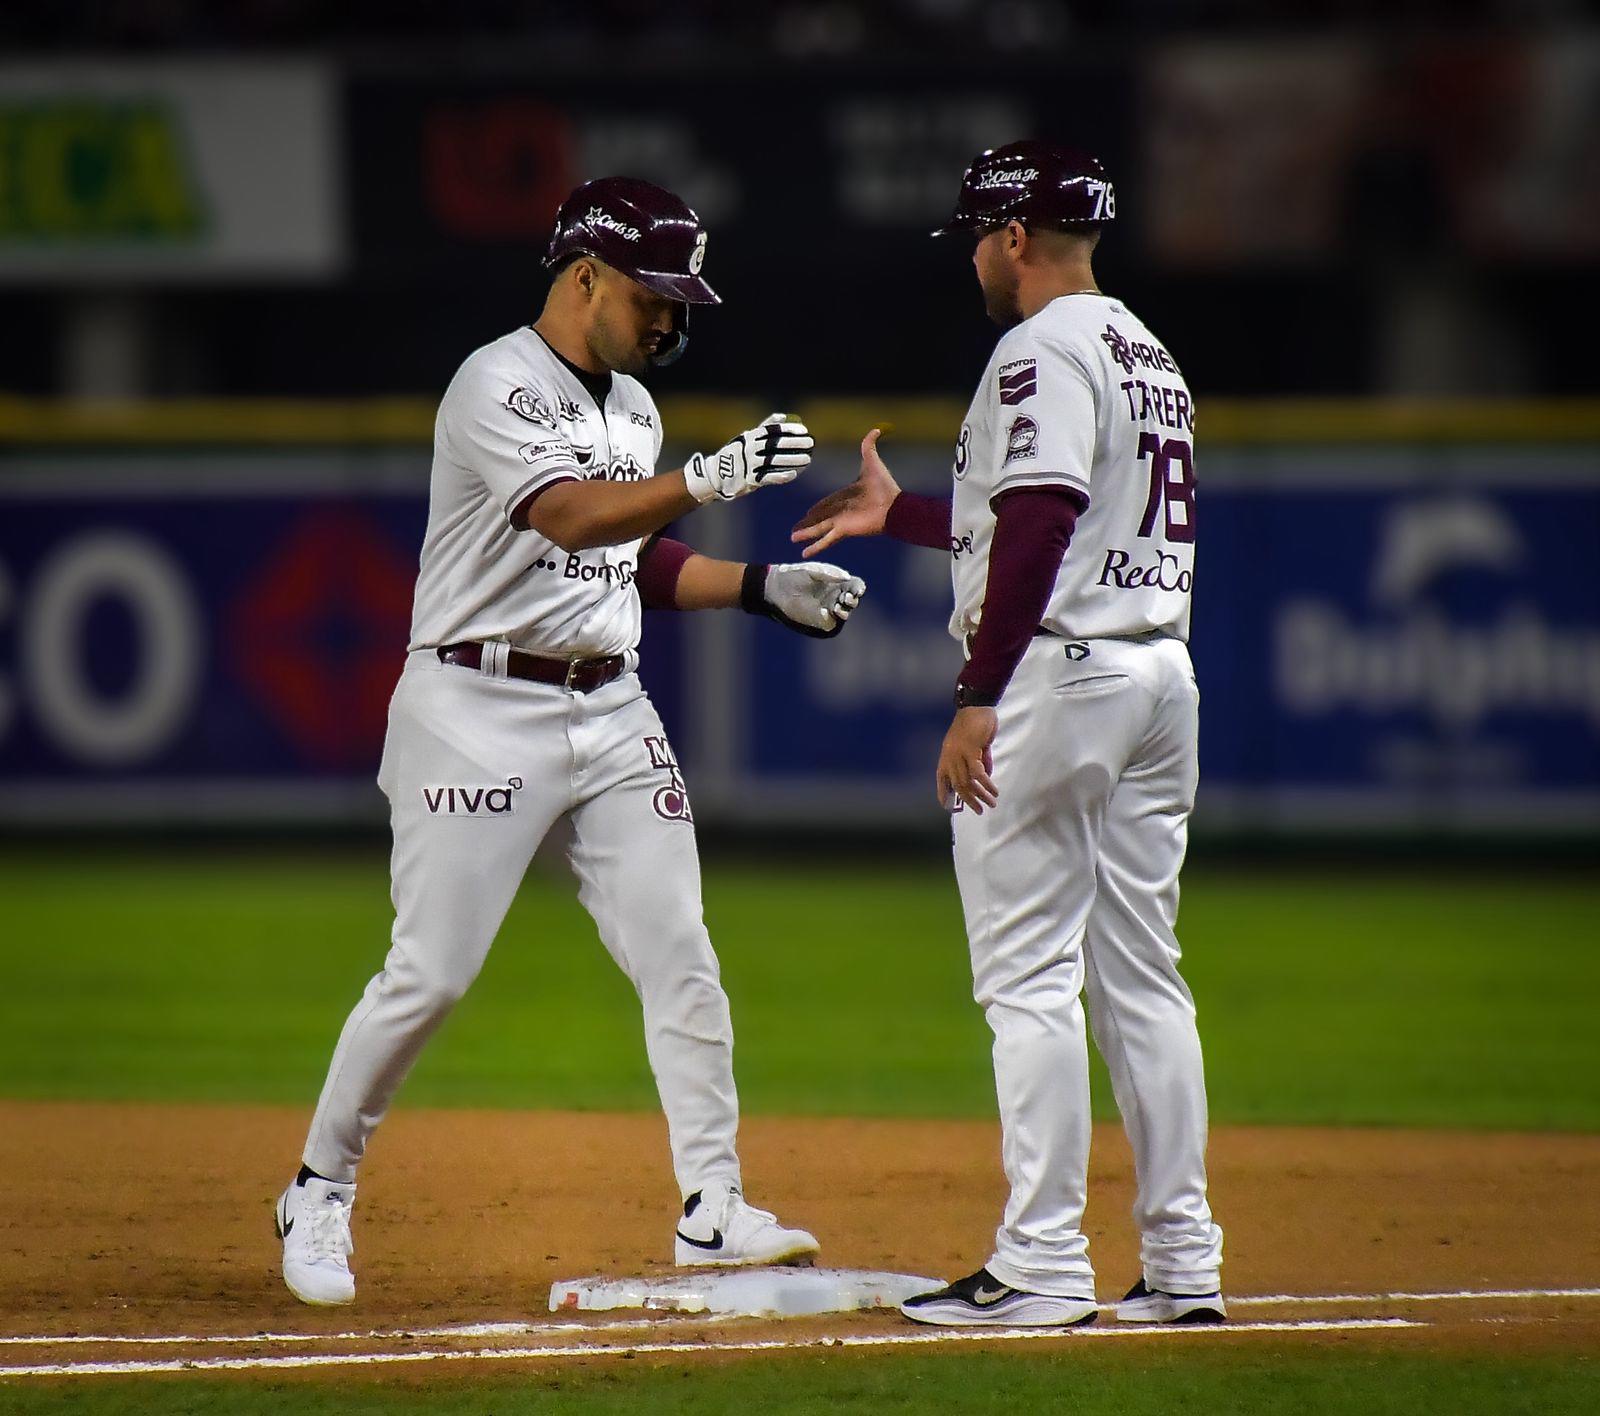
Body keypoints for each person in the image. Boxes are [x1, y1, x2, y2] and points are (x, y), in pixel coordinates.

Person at [275, 175, 865, 1306]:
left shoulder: (633, 408)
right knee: (431, 974)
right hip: (474, 709)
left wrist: (755, 586)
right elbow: (565, 515)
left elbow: (615, 556)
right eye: (653, 293)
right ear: (585, 273)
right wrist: (707, 478)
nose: (668, 319)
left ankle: (712, 1208)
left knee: (679, 948)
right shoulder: (494, 382)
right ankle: (318, 1188)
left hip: (610, 705)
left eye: (680, 299)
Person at [794, 141, 1223, 1328]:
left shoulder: (1034, 345)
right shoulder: (1144, 348)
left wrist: (978, 693)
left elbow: (1039, 522)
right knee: (1143, 977)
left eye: (979, 236)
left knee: (1028, 980)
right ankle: (1185, 1265)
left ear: (1016, 238)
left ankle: (1039, 1265)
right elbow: (1047, 520)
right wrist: (907, 516)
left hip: (1058, 679)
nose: (975, 258)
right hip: (1157, 674)